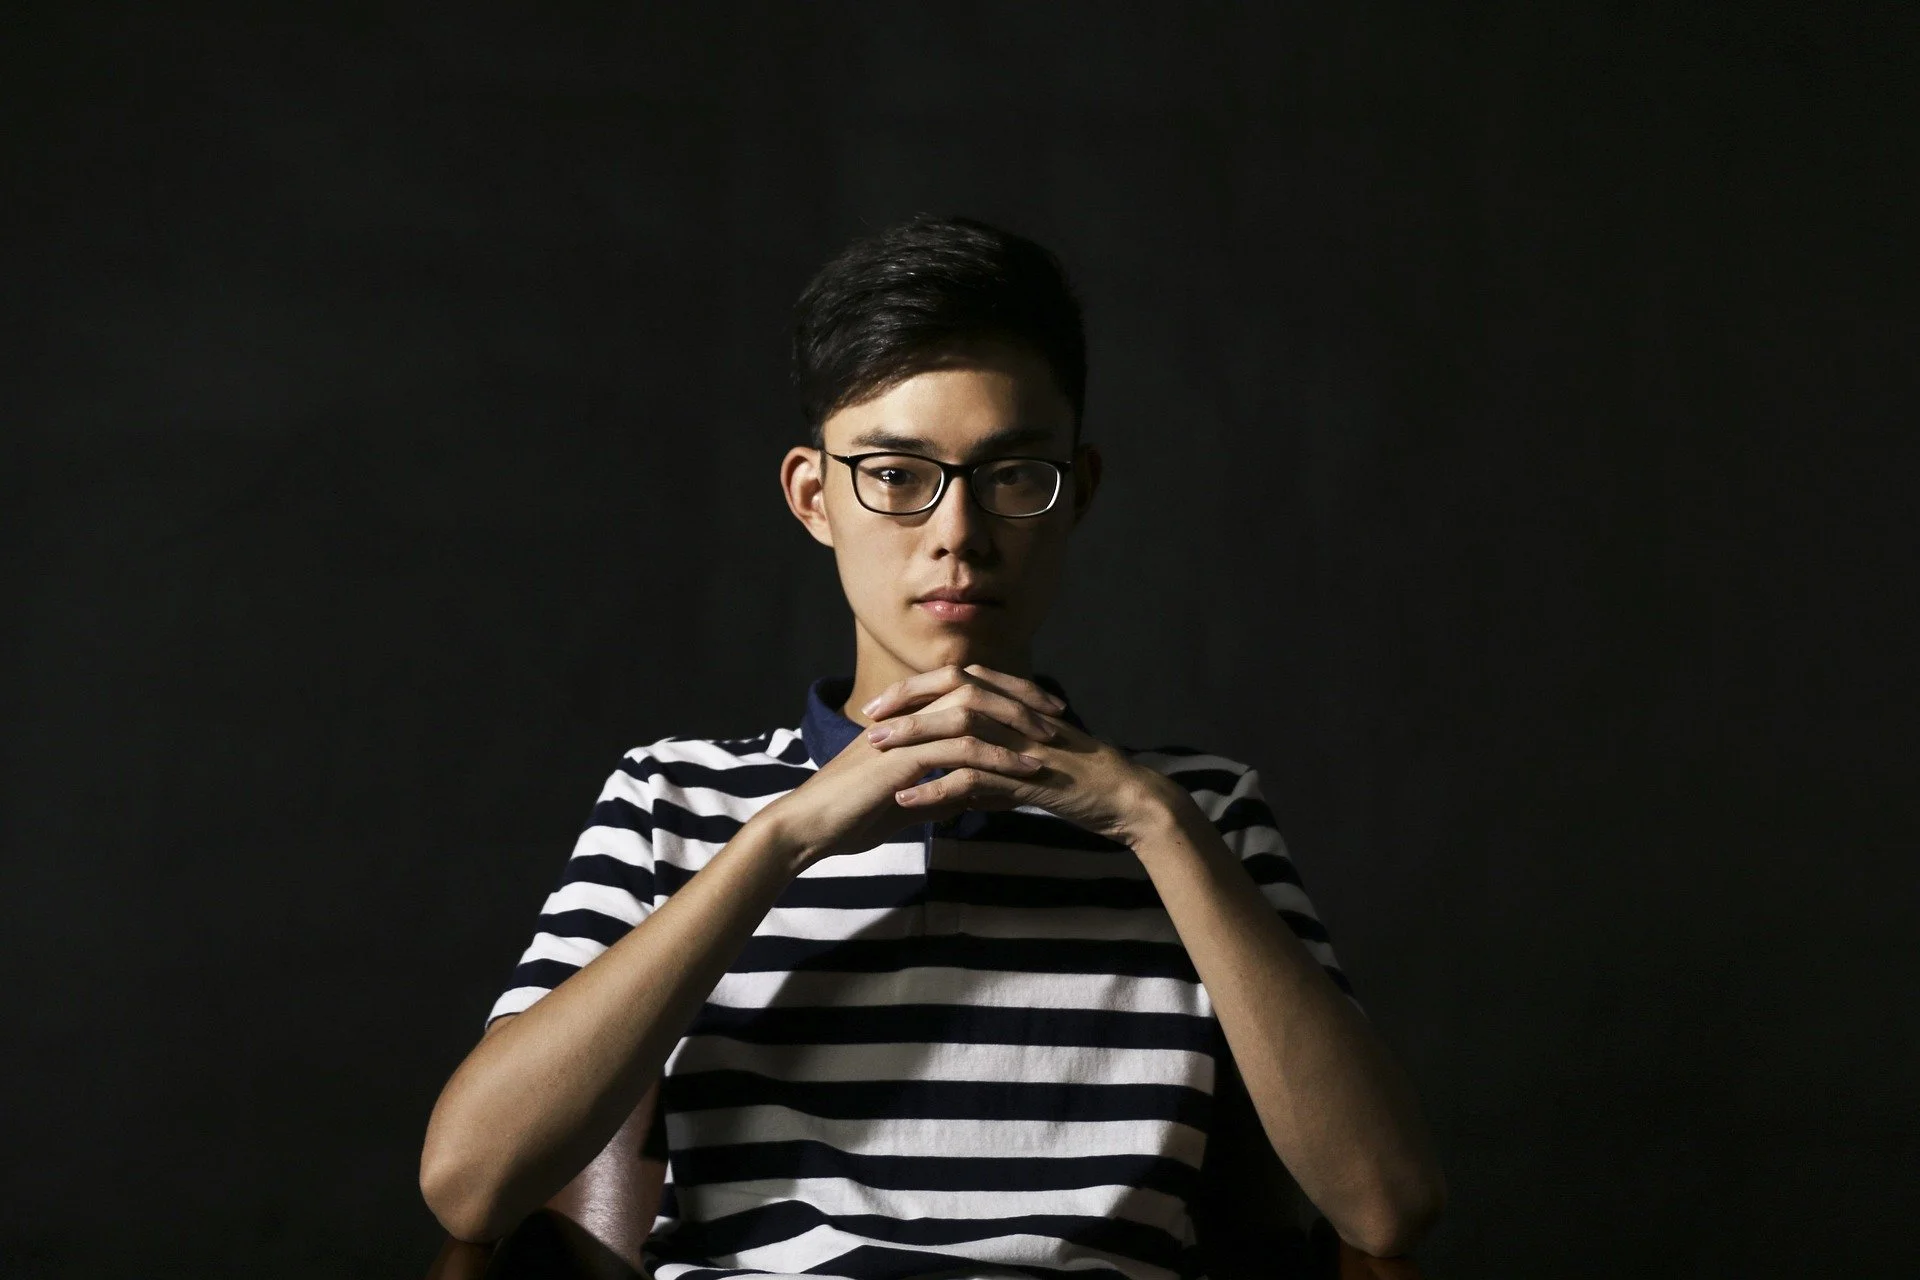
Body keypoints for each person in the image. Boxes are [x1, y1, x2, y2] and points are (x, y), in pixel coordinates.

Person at [419, 214, 1446, 1280]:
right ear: (815, 496)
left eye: (1013, 476)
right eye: (900, 475)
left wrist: (1148, 820)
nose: (958, 530)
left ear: (1077, 493)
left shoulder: (1199, 811)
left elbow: (1387, 1205)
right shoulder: (672, 797)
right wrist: (792, 832)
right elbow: (468, 1184)